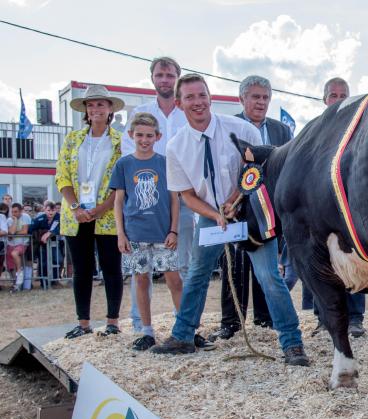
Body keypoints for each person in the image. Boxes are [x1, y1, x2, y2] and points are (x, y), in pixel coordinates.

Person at [150, 74, 308, 366]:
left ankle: (292, 343)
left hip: (251, 212)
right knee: (197, 273)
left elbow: (256, 169)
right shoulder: (175, 146)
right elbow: (186, 194)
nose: (198, 102)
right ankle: (183, 336)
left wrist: (235, 200)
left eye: (202, 95)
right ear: (179, 103)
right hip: (212, 217)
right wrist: (215, 214)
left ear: (210, 97)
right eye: (190, 97)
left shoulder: (240, 128)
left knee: (269, 277)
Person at [210, 75, 293, 341]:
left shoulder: (282, 131)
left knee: (267, 266)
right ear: (242, 99)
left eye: (265, 97)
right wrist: (230, 200)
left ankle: (265, 318)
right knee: (233, 264)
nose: (261, 102)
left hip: (268, 209)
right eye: (255, 97)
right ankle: (231, 322)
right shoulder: (228, 127)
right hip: (234, 206)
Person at [121, 57, 196, 332]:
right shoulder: (140, 112)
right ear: (152, 78)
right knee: (141, 270)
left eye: (170, 75)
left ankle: (185, 325)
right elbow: (129, 155)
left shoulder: (186, 112)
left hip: (182, 198)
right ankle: (141, 325)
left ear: (177, 78)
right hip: (145, 200)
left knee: (181, 265)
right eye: (160, 75)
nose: (165, 80)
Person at [54, 84, 124, 338]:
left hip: (107, 215)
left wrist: (101, 208)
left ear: (110, 110)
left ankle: (113, 322)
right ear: (85, 110)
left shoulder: (119, 141)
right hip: (75, 215)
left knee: (111, 268)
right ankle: (83, 323)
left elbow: (121, 179)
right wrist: (75, 206)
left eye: (101, 104)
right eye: (91, 104)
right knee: (82, 270)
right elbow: (61, 176)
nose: (95, 108)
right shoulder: (73, 139)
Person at [112, 112, 183, 350]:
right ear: (131, 135)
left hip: (163, 233)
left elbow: (174, 199)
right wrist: (121, 233)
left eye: (149, 135)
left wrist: (174, 230)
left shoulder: (165, 162)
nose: (144, 140)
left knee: (174, 279)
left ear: (157, 136)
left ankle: (184, 328)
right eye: (140, 135)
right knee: (141, 280)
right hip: (135, 233)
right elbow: (119, 201)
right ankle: (147, 330)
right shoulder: (123, 164)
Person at [313, 77, 366, 337]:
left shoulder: (358, 130)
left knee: (354, 263)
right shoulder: (314, 132)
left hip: (349, 209)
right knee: (319, 263)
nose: (338, 99)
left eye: (343, 94)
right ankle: (322, 318)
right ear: (324, 100)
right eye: (333, 95)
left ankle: (355, 319)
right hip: (321, 211)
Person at [28, 200, 61, 287]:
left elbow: (61, 228)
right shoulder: (40, 218)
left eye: (53, 210)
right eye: (48, 210)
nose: (51, 212)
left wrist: (49, 233)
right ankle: (44, 282)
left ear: (56, 210)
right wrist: (39, 233)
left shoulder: (59, 217)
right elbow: (31, 229)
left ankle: (54, 280)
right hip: (42, 244)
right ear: (45, 210)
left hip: (55, 243)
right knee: (43, 263)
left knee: (58, 260)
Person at [5, 203, 31, 292]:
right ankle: (15, 283)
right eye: (12, 212)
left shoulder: (26, 216)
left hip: (22, 243)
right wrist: (15, 221)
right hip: (11, 244)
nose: (14, 214)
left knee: (14, 253)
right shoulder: (9, 220)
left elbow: (24, 231)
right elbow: (10, 235)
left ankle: (19, 272)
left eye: (16, 212)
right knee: (10, 265)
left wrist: (14, 232)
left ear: (21, 211)